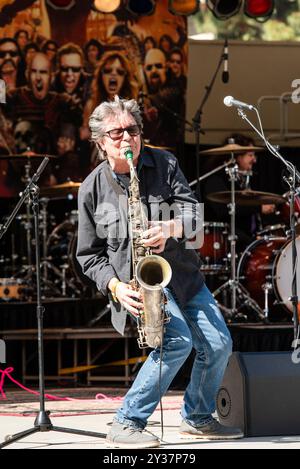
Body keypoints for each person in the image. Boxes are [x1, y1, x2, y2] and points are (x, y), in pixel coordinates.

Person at [76, 96, 243, 449]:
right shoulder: (91, 188)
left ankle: (197, 417)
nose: (127, 138)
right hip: (135, 285)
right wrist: (116, 287)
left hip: (181, 275)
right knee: (177, 341)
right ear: (100, 141)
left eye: (133, 130)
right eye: (116, 132)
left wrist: (169, 229)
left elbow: (194, 217)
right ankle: (127, 420)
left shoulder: (165, 163)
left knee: (219, 344)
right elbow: (88, 256)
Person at [202, 133, 275, 250]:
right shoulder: (217, 179)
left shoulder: (242, 181)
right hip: (222, 240)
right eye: (250, 155)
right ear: (238, 157)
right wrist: (258, 208)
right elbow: (223, 210)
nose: (254, 159)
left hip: (245, 238)